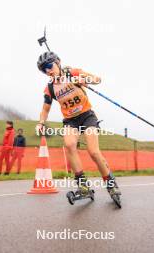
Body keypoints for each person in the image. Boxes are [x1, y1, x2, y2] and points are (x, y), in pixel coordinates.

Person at [36, 51, 121, 197]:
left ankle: (111, 184)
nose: (48, 71)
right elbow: (45, 109)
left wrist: (85, 80)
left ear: (58, 62)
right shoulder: (50, 88)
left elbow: (97, 79)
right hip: (70, 121)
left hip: (87, 116)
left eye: (49, 66)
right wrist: (41, 122)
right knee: (69, 145)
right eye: (44, 70)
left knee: (94, 152)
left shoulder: (73, 73)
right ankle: (84, 187)